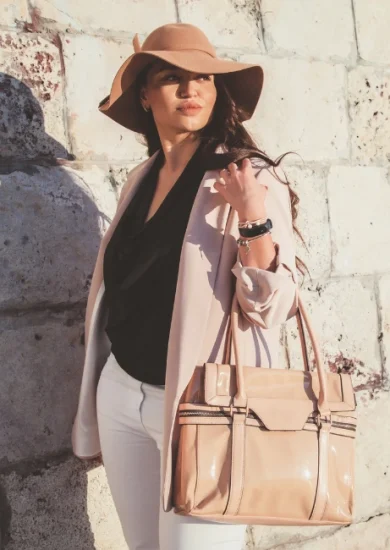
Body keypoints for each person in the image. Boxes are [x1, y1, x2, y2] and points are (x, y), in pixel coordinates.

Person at [72, 22, 301, 550]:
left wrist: (252, 214)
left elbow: (274, 305)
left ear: (217, 91)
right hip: (121, 392)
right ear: (146, 96)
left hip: (203, 407)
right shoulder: (141, 178)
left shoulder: (246, 176)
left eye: (202, 78)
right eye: (172, 77)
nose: (190, 89)